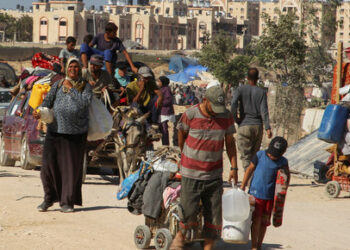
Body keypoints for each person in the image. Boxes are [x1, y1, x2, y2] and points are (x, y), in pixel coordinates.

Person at [170, 86, 238, 250]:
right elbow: (181, 136)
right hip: (191, 173)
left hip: (214, 175)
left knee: (214, 217)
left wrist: (234, 168)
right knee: (188, 212)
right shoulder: (190, 114)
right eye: (213, 107)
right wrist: (186, 155)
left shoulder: (226, 117)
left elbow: (230, 143)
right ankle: (179, 238)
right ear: (205, 100)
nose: (216, 112)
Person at [34, 58, 92, 213]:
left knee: (70, 170)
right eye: (71, 66)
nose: (73, 69)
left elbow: (84, 104)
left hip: (75, 134)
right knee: (47, 166)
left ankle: (67, 202)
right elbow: (47, 101)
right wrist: (39, 111)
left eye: (76, 67)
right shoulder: (58, 84)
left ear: (80, 69)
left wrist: (71, 89)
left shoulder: (85, 87)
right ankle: (48, 199)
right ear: (66, 69)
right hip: (55, 131)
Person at [240, 136, 290, 250]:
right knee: (256, 220)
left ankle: (259, 245)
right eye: (271, 153)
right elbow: (249, 169)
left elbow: (286, 178)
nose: (272, 156)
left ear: (282, 153)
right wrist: (243, 185)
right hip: (256, 194)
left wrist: (282, 194)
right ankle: (254, 246)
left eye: (275, 155)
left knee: (264, 222)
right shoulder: (260, 155)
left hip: (270, 197)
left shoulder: (283, 162)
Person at [231, 68, 272, 172]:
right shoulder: (262, 92)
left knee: (246, 157)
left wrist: (236, 119)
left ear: (247, 78)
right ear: (257, 78)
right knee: (254, 157)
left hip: (244, 125)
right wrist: (267, 127)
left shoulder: (240, 89)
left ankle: (248, 181)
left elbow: (233, 104)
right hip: (258, 127)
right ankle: (253, 180)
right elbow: (264, 110)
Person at [157, 76, 174, 145]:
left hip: (165, 111)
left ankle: (165, 144)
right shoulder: (161, 89)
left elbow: (168, 100)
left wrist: (159, 103)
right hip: (161, 111)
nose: (158, 83)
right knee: (162, 128)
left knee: (164, 128)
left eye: (159, 81)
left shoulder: (166, 89)